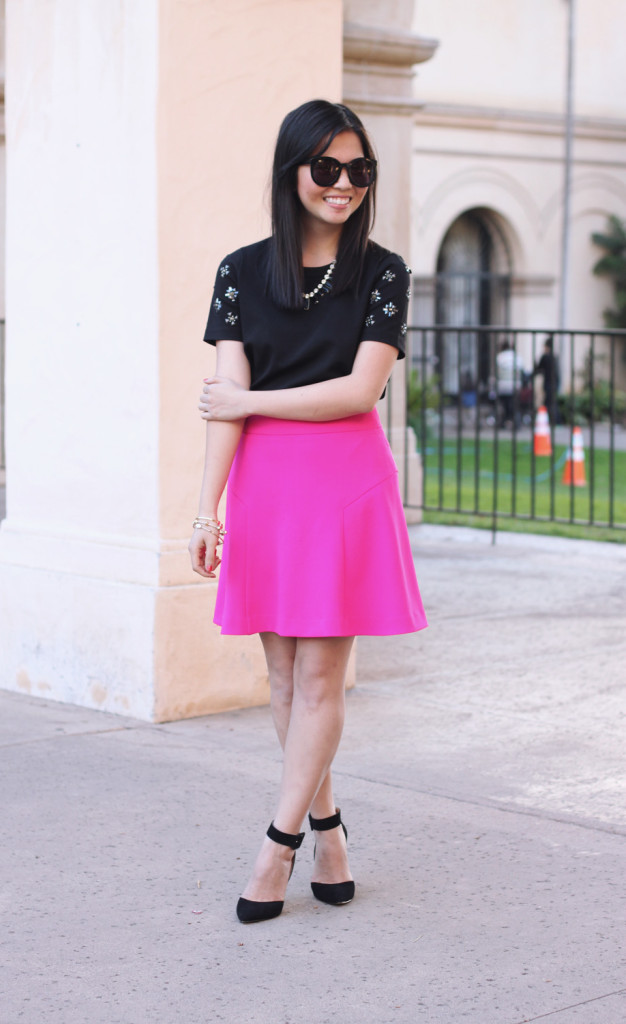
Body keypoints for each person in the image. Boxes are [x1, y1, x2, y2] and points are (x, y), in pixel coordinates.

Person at [188, 99, 427, 924]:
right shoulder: (240, 271)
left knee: (322, 673)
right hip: (265, 487)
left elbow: (360, 390)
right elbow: (223, 407)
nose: (344, 185)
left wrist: (251, 397)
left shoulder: (383, 271)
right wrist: (204, 511)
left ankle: (275, 847)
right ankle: (327, 826)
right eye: (327, 168)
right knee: (283, 675)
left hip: (343, 484)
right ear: (293, 170)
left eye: (360, 170)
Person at [496, 339, 523, 428]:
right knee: (514, 404)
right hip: (515, 384)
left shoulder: (500, 356)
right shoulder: (517, 356)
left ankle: (504, 420)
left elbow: (498, 371)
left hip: (503, 385)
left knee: (504, 404)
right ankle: (515, 420)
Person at [534, 335, 560, 424]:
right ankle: (554, 420)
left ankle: (548, 420)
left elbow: (538, 369)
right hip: (555, 383)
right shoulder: (554, 357)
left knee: (548, 403)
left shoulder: (545, 357)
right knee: (552, 402)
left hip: (549, 383)